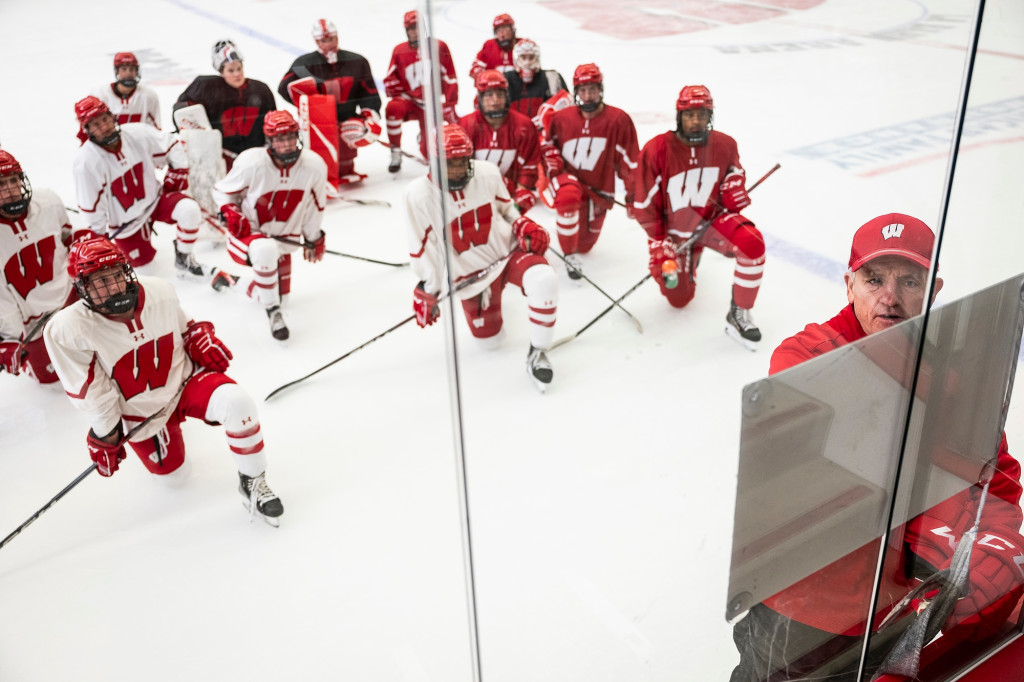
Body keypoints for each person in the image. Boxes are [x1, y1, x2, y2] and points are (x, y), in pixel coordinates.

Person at [730, 214, 1024, 681]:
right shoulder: (808, 355)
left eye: (909, 281)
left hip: (900, 608)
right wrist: (953, 526)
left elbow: (995, 476)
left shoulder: (954, 368)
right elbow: (870, 456)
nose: (890, 297)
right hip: (808, 619)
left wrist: (998, 540)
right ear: (849, 285)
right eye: (874, 279)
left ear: (934, 289)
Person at [43, 237, 284, 525]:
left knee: (238, 403)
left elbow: (185, 325)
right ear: (82, 288)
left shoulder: (158, 290)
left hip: (184, 381)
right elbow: (93, 393)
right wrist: (106, 434)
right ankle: (167, 433)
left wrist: (197, 336)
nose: (113, 287)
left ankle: (252, 481)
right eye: (99, 281)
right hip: (142, 413)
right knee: (175, 478)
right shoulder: (67, 329)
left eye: (116, 275)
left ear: (126, 271)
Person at [404, 124, 558, 391]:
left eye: (463, 160)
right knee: (490, 342)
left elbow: (506, 210)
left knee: (544, 279)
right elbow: (422, 249)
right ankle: (494, 299)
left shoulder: (486, 173)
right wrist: (427, 288)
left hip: (506, 255)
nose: (458, 168)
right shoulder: (419, 196)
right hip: (471, 279)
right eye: (450, 162)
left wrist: (522, 224)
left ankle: (538, 351)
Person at [633, 85, 766, 347]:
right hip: (673, 234)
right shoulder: (657, 148)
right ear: (678, 116)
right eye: (690, 115)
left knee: (753, 243)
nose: (696, 121)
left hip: (711, 223)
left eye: (702, 115)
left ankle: (739, 312)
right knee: (679, 299)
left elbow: (734, 173)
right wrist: (658, 241)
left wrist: (734, 186)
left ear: (710, 116)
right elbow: (643, 202)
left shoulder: (725, 144)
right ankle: (689, 259)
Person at [211, 110, 326, 342]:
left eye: (290, 137)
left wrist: (314, 237)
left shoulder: (314, 165)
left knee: (281, 296)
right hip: (247, 236)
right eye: (280, 139)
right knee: (266, 253)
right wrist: (231, 211)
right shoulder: (252, 162)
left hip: (284, 239)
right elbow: (221, 192)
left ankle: (231, 280)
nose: (286, 144)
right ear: (269, 141)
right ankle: (273, 314)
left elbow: (316, 207)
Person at [72, 95, 214, 280]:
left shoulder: (137, 132)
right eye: (96, 125)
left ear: (112, 116)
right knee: (146, 271)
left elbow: (171, 143)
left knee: (190, 211)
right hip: (127, 223)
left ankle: (184, 258)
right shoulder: (86, 162)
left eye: (105, 119)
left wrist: (178, 170)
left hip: (155, 201)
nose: (104, 127)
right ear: (87, 130)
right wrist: (99, 234)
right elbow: (91, 204)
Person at [541, 63, 638, 280]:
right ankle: (569, 256)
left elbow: (630, 162)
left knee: (585, 245)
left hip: (598, 191)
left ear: (600, 89)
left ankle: (575, 247)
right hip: (567, 183)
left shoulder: (618, 120)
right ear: (575, 92)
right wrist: (551, 158)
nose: (587, 95)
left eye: (592, 89)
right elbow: (546, 145)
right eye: (582, 90)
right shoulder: (561, 118)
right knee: (567, 197)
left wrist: (633, 197)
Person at [0, 150, 82, 383]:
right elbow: (2, 301)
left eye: (13, 181)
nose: (10, 190)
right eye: (1, 185)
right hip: (36, 324)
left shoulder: (47, 201)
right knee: (52, 381)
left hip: (73, 297)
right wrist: (10, 337)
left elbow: (66, 235)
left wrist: (84, 242)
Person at [278, 18, 382, 185]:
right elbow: (285, 88)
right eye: (323, 40)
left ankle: (347, 169)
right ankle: (323, 175)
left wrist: (368, 115)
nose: (328, 44)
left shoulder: (357, 61)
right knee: (321, 150)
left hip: (348, 118)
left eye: (331, 39)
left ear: (337, 37)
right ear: (316, 41)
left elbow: (368, 92)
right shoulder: (303, 64)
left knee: (350, 134)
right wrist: (308, 108)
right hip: (318, 123)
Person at [173, 40, 277, 170]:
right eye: (231, 70)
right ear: (221, 72)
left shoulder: (261, 90)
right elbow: (181, 111)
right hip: (220, 159)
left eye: (239, 68)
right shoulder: (206, 88)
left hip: (256, 157)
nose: (237, 74)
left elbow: (273, 122)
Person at [383, 10, 459, 173]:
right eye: (410, 29)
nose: (414, 32)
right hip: (409, 101)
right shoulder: (399, 51)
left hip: (431, 105)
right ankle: (395, 150)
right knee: (393, 108)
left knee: (428, 154)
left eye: (417, 27)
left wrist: (449, 103)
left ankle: (423, 140)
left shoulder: (438, 47)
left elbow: (450, 77)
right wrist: (394, 88)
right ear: (406, 31)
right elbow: (390, 78)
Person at [457, 70, 541, 216]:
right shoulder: (466, 125)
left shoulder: (524, 126)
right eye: (489, 95)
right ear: (480, 98)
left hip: (510, 196)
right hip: (474, 195)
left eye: (499, 95)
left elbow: (529, 166)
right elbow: (459, 169)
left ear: (507, 97)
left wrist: (521, 193)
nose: (495, 100)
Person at [88, 52, 162, 130]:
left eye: (132, 69)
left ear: (137, 71)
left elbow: (156, 130)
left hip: (138, 141)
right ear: (117, 71)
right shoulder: (100, 94)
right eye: (124, 69)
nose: (128, 73)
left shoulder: (149, 96)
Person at [504, 38, 568, 119]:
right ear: (516, 59)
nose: (527, 62)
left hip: (543, 128)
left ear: (537, 58)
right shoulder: (505, 79)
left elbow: (567, 104)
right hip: (514, 129)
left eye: (531, 58)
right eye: (523, 57)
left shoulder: (552, 78)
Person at [469, 13, 521, 79]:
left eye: (505, 30)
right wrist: (484, 77)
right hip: (494, 88)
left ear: (513, 30)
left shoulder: (522, 46)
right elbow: (475, 68)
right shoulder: (489, 45)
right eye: (499, 31)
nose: (502, 35)